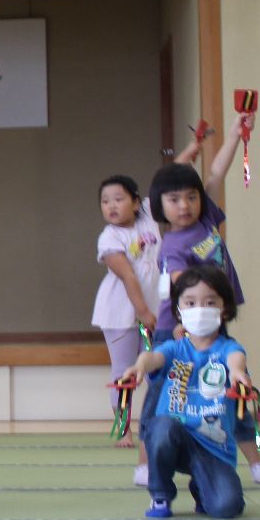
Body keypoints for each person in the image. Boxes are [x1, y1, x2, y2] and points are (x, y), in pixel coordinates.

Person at [143, 115, 260, 487]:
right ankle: (149, 464)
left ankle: (255, 464)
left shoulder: (207, 222)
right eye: (174, 200)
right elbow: (179, 290)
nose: (185, 205)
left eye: (191, 197)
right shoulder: (172, 246)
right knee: (166, 397)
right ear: (160, 206)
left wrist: (236, 133)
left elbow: (218, 172)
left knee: (234, 388)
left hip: (213, 324)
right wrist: (180, 327)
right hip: (179, 330)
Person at [121, 266, 255, 520]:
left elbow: (236, 359)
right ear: (179, 310)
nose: (200, 309)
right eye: (191, 303)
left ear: (224, 308)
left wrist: (238, 372)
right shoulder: (175, 348)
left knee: (227, 508)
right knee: (160, 427)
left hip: (212, 446)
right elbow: (153, 356)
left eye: (209, 302)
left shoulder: (228, 348)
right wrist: (139, 367)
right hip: (174, 436)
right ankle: (160, 495)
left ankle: (202, 487)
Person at [91, 174, 161, 456]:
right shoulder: (109, 236)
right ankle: (123, 428)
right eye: (105, 202)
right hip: (120, 312)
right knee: (123, 372)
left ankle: (156, 423)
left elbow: (165, 183)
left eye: (119, 199)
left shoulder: (148, 217)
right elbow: (127, 275)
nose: (111, 206)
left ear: (135, 202)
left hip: (154, 308)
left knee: (156, 368)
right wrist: (142, 311)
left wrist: (193, 150)